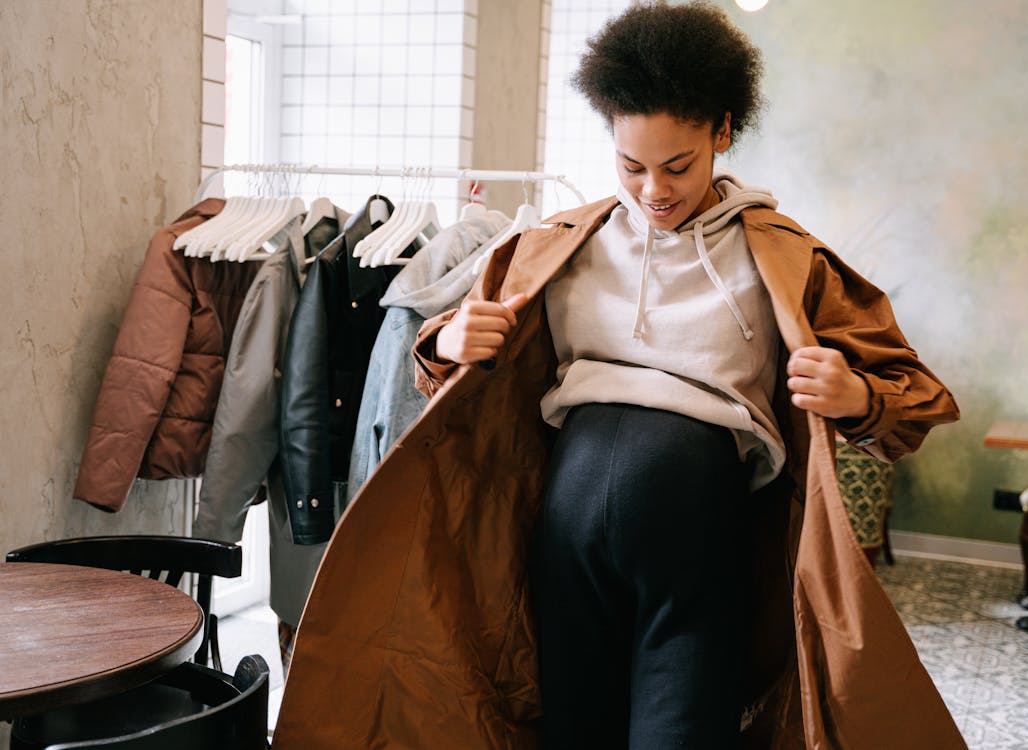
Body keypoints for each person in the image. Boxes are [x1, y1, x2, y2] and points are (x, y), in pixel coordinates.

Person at [270, 3, 963, 749]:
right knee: (576, 732)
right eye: (632, 166)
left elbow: (917, 399)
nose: (654, 191)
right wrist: (449, 341)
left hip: (695, 523)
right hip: (565, 527)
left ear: (721, 135)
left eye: (678, 166)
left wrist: (856, 395)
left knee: (682, 734)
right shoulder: (561, 243)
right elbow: (450, 364)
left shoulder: (783, 256)